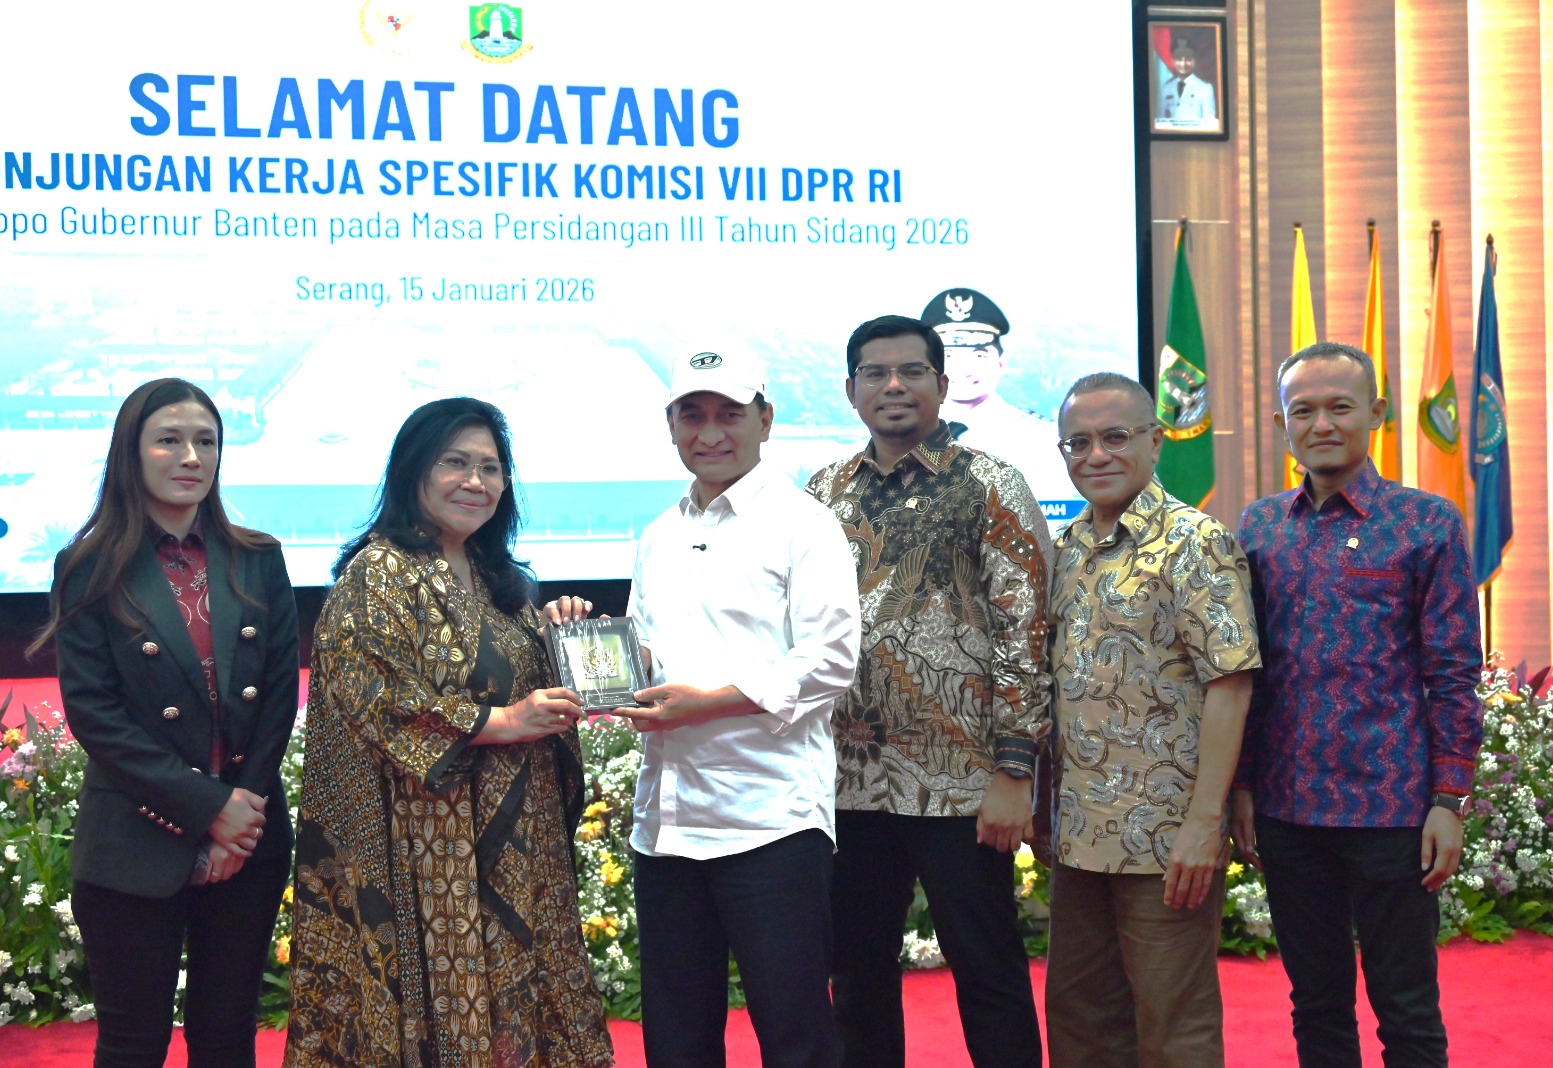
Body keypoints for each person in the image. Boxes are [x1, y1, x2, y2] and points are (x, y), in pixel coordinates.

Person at [282, 398, 611, 1068]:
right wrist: (504, 722)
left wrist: (563, 638)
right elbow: (374, 696)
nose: (475, 481)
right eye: (455, 463)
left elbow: (518, 683)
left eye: (491, 468)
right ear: (414, 472)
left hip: (519, 844)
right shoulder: (380, 572)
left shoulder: (497, 577)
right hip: (429, 849)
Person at [30, 377, 299, 1068]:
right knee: (132, 1043)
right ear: (132, 452)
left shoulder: (258, 557)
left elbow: (278, 696)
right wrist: (210, 809)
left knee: (226, 1037)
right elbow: (96, 715)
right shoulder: (88, 566)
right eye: (169, 440)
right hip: (133, 839)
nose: (190, 457)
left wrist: (243, 813)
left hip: (250, 836)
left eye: (206, 441)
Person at [604, 348, 861, 1067]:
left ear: (765, 420)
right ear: (671, 425)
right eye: (693, 415)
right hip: (667, 828)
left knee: (796, 1037)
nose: (710, 433)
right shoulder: (658, 533)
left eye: (729, 414)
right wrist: (598, 655)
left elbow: (830, 660)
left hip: (769, 825)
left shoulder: (804, 524)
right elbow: (646, 656)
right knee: (677, 1040)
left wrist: (708, 705)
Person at [806, 315, 1049, 1068]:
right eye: (875, 373)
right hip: (848, 782)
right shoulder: (822, 493)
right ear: (851, 389)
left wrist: (1014, 769)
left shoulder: (991, 483)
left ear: (941, 385)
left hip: (962, 782)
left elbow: (1024, 628)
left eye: (911, 371)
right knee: (856, 976)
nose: (894, 386)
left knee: (988, 968)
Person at [1232, 342, 1482, 1068]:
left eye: (1340, 406)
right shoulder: (1259, 527)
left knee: (1407, 1009)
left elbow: (1453, 672)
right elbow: (1248, 673)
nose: (1322, 424)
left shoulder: (1426, 523)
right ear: (1282, 424)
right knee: (1315, 1005)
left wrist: (1449, 800)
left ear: (1375, 412)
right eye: (1303, 410)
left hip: (1392, 810)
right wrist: (1242, 786)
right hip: (1288, 810)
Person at [1040, 372, 1259, 1068]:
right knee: (1079, 1022)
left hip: (1164, 839)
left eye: (1115, 437)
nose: (1095, 455)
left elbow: (1230, 684)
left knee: (1173, 1028)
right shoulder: (1067, 546)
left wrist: (1204, 822)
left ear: (1155, 441)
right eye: (1078, 443)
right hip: (1080, 835)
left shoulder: (1195, 541)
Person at [919, 287, 1078, 510]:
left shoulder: (1042, 439)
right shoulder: (898, 439)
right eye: (948, 355)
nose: (964, 369)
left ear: (1001, 362)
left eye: (979, 355)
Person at [1157, 38, 1217, 127]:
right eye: (1179, 59)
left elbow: (1209, 124)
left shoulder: (1205, 88)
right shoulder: (1166, 88)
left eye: (1188, 59)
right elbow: (1160, 122)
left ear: (1194, 61)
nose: (1183, 64)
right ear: (1172, 61)